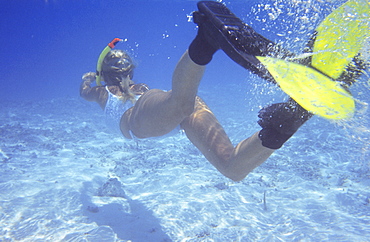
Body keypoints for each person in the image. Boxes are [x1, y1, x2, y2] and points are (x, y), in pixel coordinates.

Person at [80, 1, 365, 181]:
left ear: (104, 75)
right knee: (232, 168)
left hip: (145, 114)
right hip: (176, 98)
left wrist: (89, 78)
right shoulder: (136, 87)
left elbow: (85, 91)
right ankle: (291, 118)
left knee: (179, 104)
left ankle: (206, 40)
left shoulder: (103, 93)